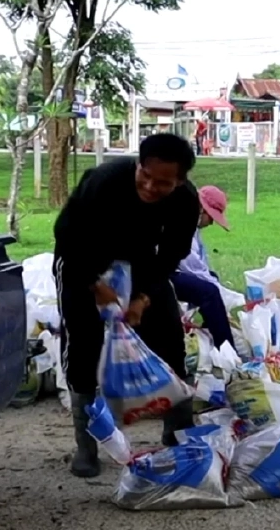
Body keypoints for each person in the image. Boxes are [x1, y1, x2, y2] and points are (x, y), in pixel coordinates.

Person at [53, 133, 200, 478]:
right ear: (138, 165)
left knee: (168, 340)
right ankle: (87, 445)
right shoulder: (104, 182)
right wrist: (94, 285)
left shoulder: (185, 201)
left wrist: (143, 298)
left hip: (142, 266)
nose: (150, 186)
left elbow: (172, 253)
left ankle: (179, 433)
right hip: (82, 262)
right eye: (145, 176)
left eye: (163, 183)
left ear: (179, 181)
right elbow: (67, 235)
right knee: (83, 346)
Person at [169, 184, 234, 349]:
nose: (211, 223)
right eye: (211, 217)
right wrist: (219, 290)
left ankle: (211, 334)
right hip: (161, 273)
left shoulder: (191, 223)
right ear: (203, 210)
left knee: (212, 283)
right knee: (209, 292)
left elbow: (200, 264)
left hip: (171, 268)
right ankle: (227, 349)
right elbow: (191, 266)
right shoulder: (183, 220)